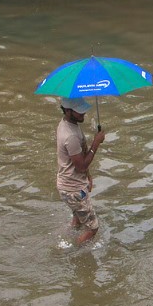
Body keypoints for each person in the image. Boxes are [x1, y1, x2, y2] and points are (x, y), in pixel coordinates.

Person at [55, 97, 106, 246]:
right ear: (68, 111)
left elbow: (79, 158)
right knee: (92, 228)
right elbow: (81, 166)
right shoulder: (70, 136)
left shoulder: (67, 124)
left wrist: (87, 176)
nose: (83, 114)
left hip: (67, 185)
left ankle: (70, 237)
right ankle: (74, 252)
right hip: (73, 189)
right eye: (79, 112)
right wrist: (96, 143)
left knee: (78, 217)